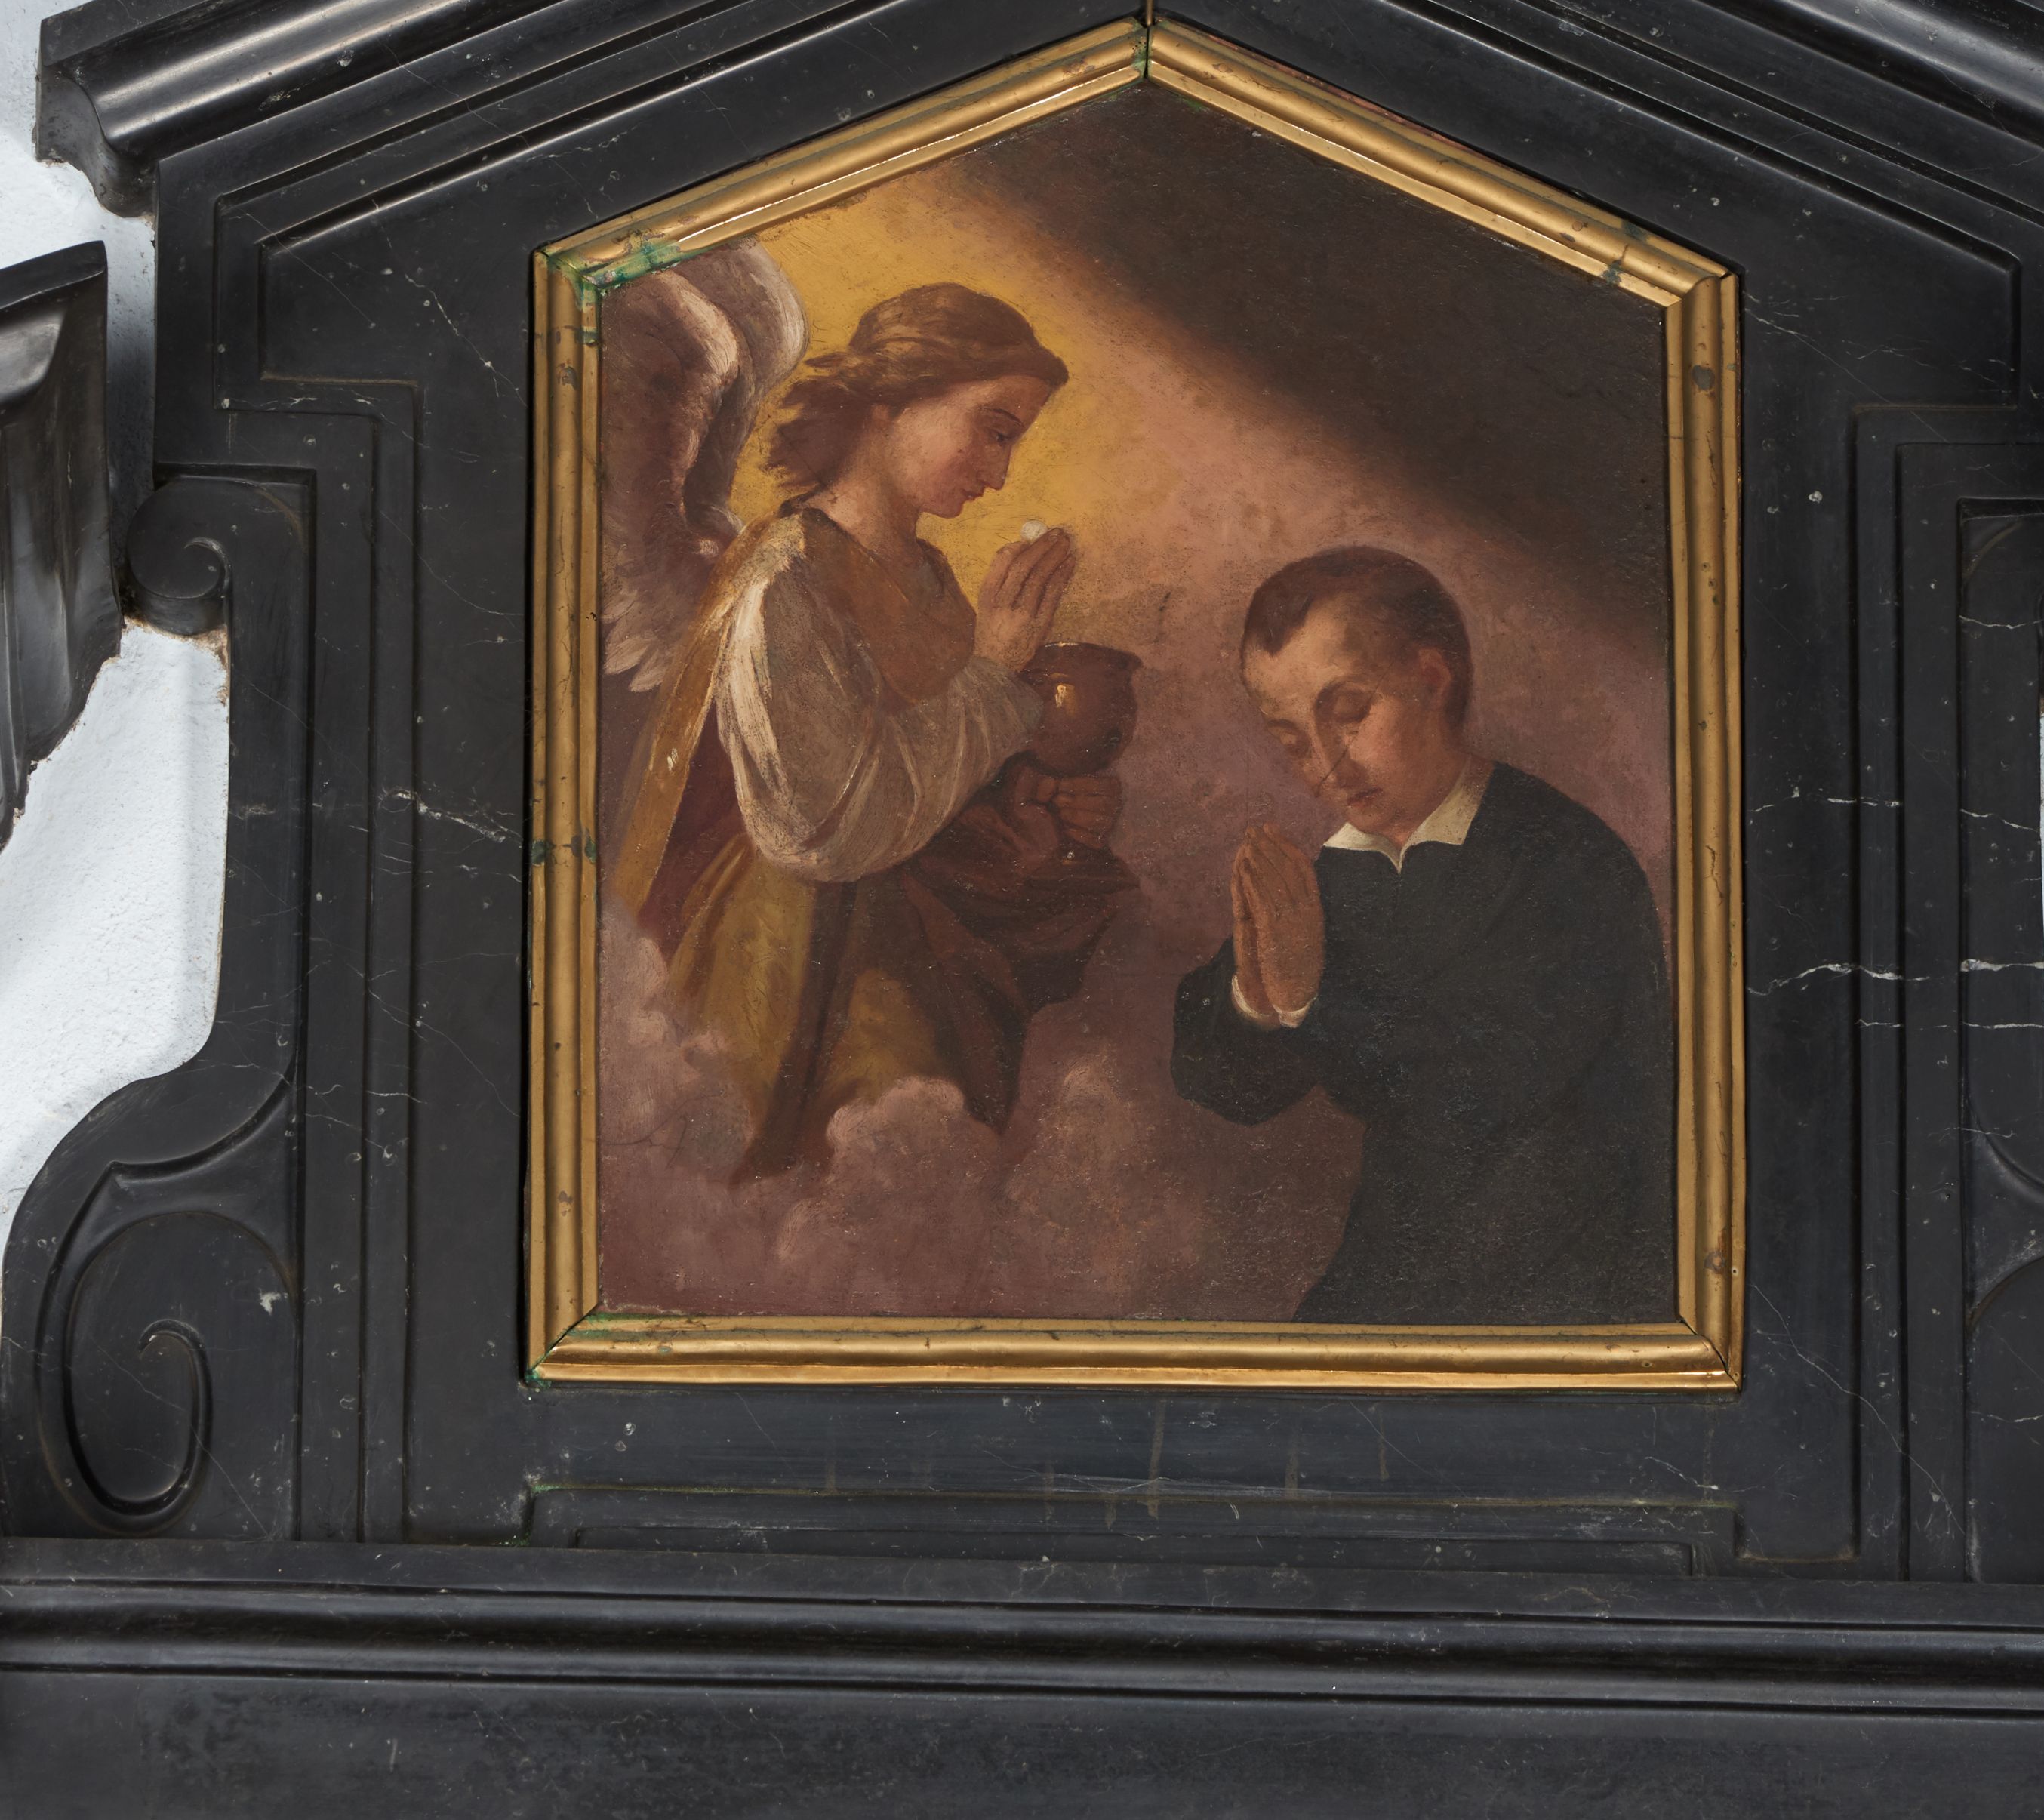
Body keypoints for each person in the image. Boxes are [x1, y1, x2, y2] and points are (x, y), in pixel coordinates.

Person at [614, 284, 1134, 1171]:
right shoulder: (785, 583)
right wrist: (995, 672)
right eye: (992, 429)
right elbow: (826, 824)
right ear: (890, 401)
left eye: (1013, 441)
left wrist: (1031, 797)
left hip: (901, 939)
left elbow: (933, 761)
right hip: (794, 958)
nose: (1001, 472)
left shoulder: (930, 576)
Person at [1171, 547, 1674, 1327]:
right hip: (1399, 1282)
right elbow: (1226, 1084)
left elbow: (1474, 1085)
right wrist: (1256, 995)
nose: (1324, 766)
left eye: (1350, 714)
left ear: (1433, 683)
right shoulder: (1345, 871)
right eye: (1293, 739)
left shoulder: (1564, 861)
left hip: (1563, 1294)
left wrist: (1309, 1001)